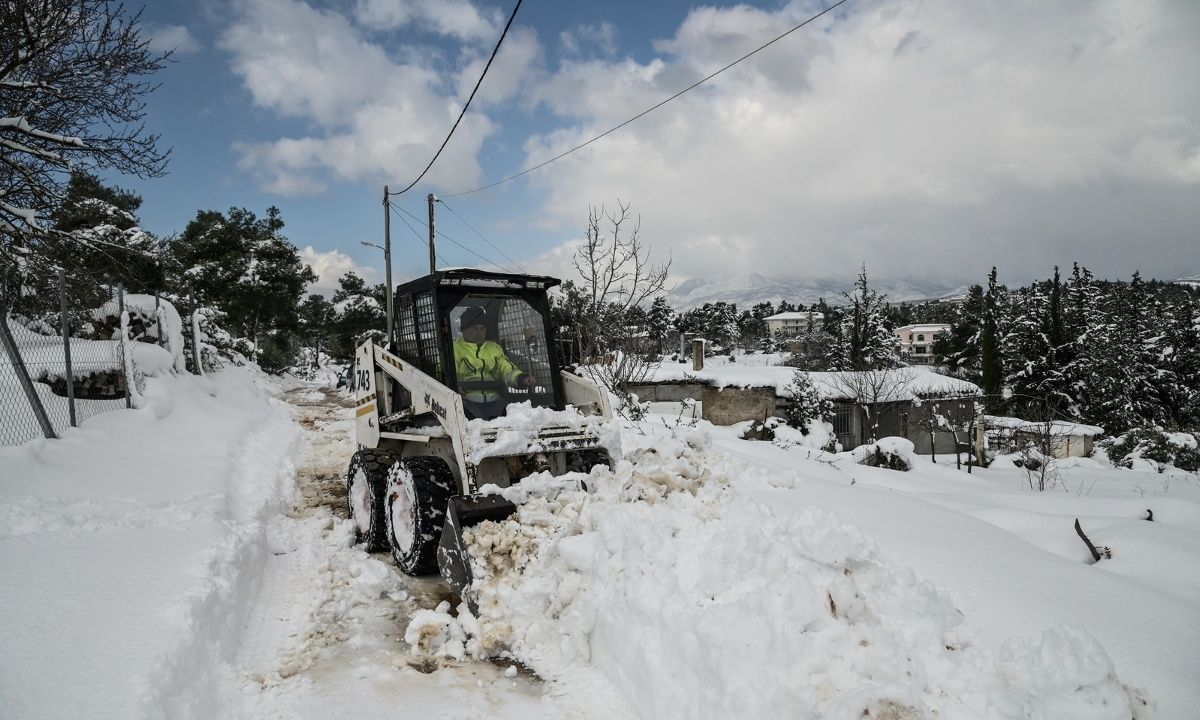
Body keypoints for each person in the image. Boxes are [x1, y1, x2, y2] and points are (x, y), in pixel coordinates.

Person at [453, 306, 535, 418]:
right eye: (475, 328)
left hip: (495, 401)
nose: (479, 333)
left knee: (515, 417)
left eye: (483, 329)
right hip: (466, 402)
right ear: (464, 329)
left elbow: (506, 369)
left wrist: (521, 378)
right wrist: (453, 386)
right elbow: (448, 375)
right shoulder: (454, 349)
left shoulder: (494, 348)